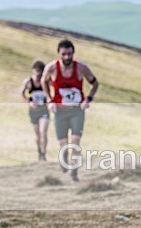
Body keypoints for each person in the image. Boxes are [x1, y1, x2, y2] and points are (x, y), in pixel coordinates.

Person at [41, 40, 99, 182]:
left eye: (69, 54)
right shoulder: (51, 68)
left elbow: (95, 83)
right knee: (63, 144)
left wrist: (88, 99)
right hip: (60, 111)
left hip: (76, 110)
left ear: (73, 53)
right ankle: (64, 159)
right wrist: (49, 100)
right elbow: (43, 81)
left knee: (75, 141)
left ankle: (74, 172)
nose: (67, 57)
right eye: (64, 54)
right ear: (58, 54)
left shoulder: (81, 68)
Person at [20, 60, 50, 161]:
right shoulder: (28, 82)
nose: (38, 74)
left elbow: (54, 90)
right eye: (36, 71)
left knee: (43, 131)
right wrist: (29, 102)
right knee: (37, 134)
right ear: (33, 71)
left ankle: (44, 154)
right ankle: (39, 151)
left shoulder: (46, 82)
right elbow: (22, 93)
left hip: (44, 110)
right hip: (33, 111)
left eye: (40, 71)